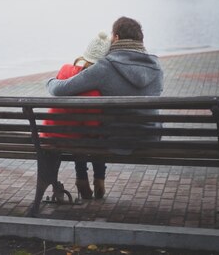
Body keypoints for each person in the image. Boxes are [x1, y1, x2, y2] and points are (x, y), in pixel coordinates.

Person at [47, 16, 164, 199]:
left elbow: (62, 89)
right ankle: (98, 179)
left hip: (116, 141)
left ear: (116, 38)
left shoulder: (106, 67)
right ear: (140, 40)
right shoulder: (156, 67)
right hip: (149, 138)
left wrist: (50, 82)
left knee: (88, 124)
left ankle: (84, 177)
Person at [43, 31, 111, 200]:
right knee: (92, 137)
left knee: (77, 134)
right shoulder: (95, 91)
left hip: (50, 135)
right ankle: (98, 179)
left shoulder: (65, 69)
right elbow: (92, 129)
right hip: (74, 138)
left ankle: (82, 178)